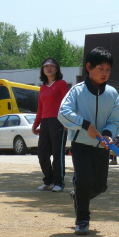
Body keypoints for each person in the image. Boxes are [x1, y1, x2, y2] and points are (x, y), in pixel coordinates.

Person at [58, 47, 119, 235]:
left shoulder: (112, 94)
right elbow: (63, 113)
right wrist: (85, 125)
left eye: (108, 70)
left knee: (100, 186)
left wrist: (109, 134)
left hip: (102, 147)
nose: (104, 73)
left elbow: (116, 120)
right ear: (88, 67)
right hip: (81, 146)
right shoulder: (76, 92)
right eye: (100, 69)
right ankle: (82, 220)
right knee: (84, 180)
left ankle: (79, 195)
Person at [32, 58, 69, 192]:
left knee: (57, 153)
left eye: (52, 66)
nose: (49, 68)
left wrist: (67, 121)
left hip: (58, 121)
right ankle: (48, 180)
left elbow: (67, 104)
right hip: (45, 122)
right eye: (46, 66)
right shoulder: (42, 87)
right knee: (42, 153)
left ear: (57, 69)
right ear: (42, 70)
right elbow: (40, 108)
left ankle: (59, 182)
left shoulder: (61, 84)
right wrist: (36, 124)